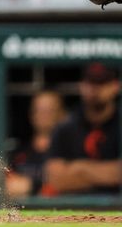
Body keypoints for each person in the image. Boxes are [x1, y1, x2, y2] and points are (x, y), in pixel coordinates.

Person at [43, 64, 121, 195]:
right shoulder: (65, 125)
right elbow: (55, 179)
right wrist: (110, 173)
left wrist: (80, 169)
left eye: (102, 83)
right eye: (91, 83)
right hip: (73, 209)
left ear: (115, 86)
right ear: (81, 86)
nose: (95, 89)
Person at [6, 91, 66, 199]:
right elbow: (7, 185)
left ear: (61, 114)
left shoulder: (69, 151)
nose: (44, 115)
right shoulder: (20, 152)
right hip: (24, 212)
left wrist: (32, 187)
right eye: (39, 110)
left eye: (49, 110)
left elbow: (74, 184)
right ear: (31, 114)